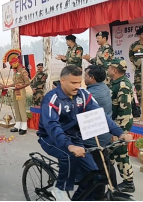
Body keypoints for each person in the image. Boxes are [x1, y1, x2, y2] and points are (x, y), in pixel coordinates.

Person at [37, 65, 132, 201]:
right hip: (51, 137)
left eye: (79, 82)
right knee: (69, 155)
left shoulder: (83, 95)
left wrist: (119, 132)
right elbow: (52, 126)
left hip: (74, 136)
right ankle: (60, 188)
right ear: (62, 81)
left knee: (92, 175)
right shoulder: (52, 99)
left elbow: (99, 114)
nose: (77, 86)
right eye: (73, 83)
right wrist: (69, 146)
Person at [83, 65, 117, 200]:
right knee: (105, 164)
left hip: (94, 137)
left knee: (96, 168)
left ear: (91, 78)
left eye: (85, 76)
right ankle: (112, 189)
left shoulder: (90, 95)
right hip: (105, 135)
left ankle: (98, 195)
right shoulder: (104, 88)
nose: (84, 78)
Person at [106, 58, 135, 193]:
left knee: (121, 153)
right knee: (110, 152)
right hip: (115, 122)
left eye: (109, 68)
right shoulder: (116, 82)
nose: (108, 70)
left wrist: (120, 132)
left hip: (121, 122)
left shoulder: (122, 85)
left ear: (115, 70)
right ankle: (107, 178)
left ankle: (128, 182)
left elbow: (124, 109)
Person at [4, 49, 30, 135]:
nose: (12, 66)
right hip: (15, 91)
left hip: (21, 91)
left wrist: (19, 87)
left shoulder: (23, 71)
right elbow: (15, 83)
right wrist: (8, 86)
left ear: (17, 62)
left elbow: (27, 83)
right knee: (16, 108)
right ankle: (18, 124)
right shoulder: (15, 72)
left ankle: (24, 126)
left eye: (12, 64)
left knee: (22, 108)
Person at [129, 27, 143, 106]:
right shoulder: (134, 45)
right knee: (139, 91)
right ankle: (142, 110)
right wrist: (138, 64)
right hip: (139, 72)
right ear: (139, 35)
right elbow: (131, 57)